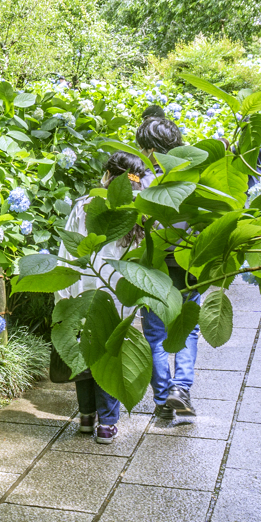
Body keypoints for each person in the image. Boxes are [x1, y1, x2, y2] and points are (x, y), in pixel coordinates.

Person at [56, 149, 150, 443]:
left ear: (108, 174)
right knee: (110, 356)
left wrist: (62, 294)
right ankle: (107, 424)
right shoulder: (141, 211)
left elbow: (67, 251)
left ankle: (86, 417)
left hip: (82, 291)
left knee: (83, 352)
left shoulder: (86, 204)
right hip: (118, 295)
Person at [135, 106, 201, 424]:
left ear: (148, 149)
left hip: (154, 266)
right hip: (190, 262)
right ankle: (182, 390)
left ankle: (163, 400)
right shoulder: (192, 172)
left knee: (155, 334)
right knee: (189, 327)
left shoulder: (137, 179)